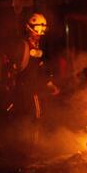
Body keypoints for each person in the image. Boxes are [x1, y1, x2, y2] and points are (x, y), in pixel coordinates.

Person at [7, 13, 59, 153]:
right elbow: (13, 68)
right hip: (26, 90)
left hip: (30, 89)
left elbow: (39, 68)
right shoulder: (22, 45)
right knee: (35, 117)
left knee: (27, 119)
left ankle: (22, 148)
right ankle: (31, 149)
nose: (40, 33)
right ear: (29, 28)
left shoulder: (36, 46)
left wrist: (49, 84)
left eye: (43, 30)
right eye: (37, 29)